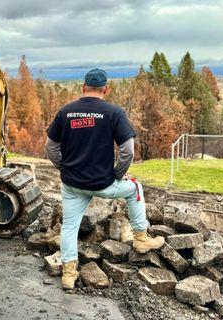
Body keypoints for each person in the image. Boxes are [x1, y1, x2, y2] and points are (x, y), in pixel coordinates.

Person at [44, 68, 164, 290]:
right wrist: (118, 174)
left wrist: (63, 167)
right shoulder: (113, 112)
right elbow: (128, 150)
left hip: (71, 184)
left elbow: (50, 146)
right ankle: (141, 237)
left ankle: (69, 274)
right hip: (103, 183)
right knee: (135, 186)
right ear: (105, 89)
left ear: (83, 88)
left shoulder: (66, 111)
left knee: (69, 227)